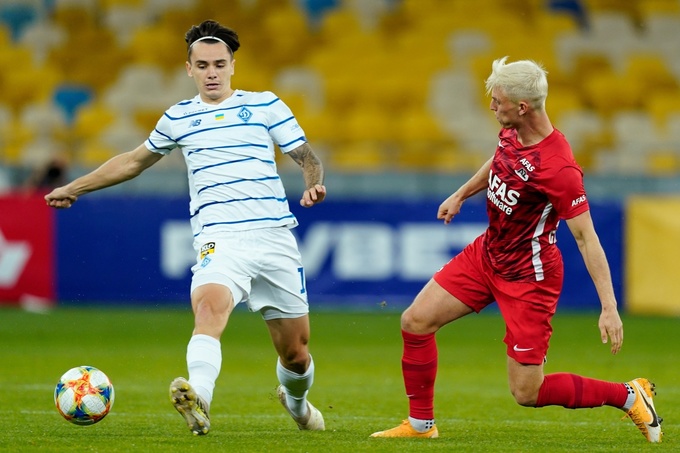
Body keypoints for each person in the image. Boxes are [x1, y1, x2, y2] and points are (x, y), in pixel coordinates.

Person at [45, 19, 327, 436]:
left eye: (219, 64)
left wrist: (313, 184)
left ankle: (298, 404)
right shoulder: (178, 117)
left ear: (232, 66)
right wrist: (75, 187)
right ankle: (200, 399)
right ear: (189, 69)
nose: (212, 73)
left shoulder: (265, 105)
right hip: (220, 238)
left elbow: (306, 156)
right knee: (209, 309)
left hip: (273, 237)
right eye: (203, 65)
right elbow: (133, 162)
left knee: (296, 353)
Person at [370, 57, 663, 443]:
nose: (492, 106)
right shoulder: (511, 131)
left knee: (527, 392)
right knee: (415, 321)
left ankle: (629, 395)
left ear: (522, 107)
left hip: (530, 277)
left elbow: (586, 238)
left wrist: (609, 307)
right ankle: (421, 425)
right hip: (488, 255)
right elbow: (499, 161)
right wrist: (461, 194)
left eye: (498, 100)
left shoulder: (559, 169)